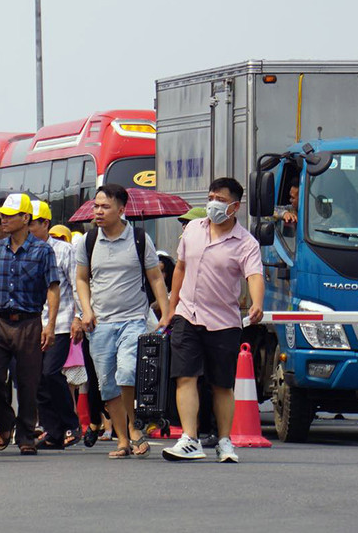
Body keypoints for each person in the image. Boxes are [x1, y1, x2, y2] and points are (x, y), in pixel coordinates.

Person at [162, 178, 265, 463]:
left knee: (221, 384)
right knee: (185, 376)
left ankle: (223, 441)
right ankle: (189, 439)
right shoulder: (194, 229)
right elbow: (180, 268)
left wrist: (257, 303)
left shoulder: (246, 243)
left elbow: (254, 275)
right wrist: (171, 309)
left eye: (219, 198)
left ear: (235, 206)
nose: (213, 203)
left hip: (224, 321)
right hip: (187, 314)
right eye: (210, 197)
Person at [75, 185, 169, 459]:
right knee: (107, 385)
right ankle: (122, 440)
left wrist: (166, 312)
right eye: (96, 206)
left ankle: (134, 428)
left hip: (133, 320)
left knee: (127, 373)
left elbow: (155, 278)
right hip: (100, 324)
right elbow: (81, 279)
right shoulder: (88, 241)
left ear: (121, 209)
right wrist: (86, 311)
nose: (99, 212)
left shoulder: (139, 238)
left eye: (105, 207)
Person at [0, 193, 61, 456]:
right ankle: (5, 423)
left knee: (29, 383)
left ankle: (26, 435)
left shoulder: (43, 250)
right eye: (2, 215)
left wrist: (50, 325)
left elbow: (53, 287)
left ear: (25, 218)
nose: (2, 219)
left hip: (30, 323)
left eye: (9, 215)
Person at [32, 199, 81, 450]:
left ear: (45, 223)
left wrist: (78, 317)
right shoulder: (24, 250)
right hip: (33, 324)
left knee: (52, 372)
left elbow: (76, 285)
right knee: (38, 379)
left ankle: (71, 423)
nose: (27, 227)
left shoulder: (63, 250)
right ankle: (53, 431)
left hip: (60, 322)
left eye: (32, 223)